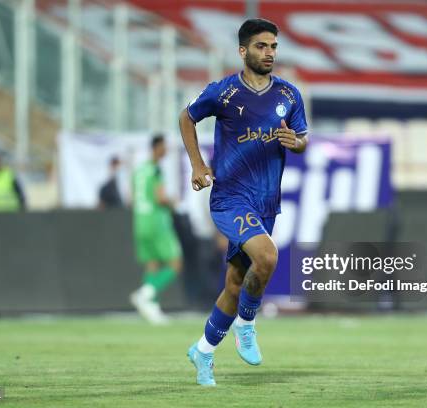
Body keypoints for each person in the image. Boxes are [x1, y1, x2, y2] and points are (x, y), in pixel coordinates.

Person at [179, 18, 308, 386]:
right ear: (243, 50)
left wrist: (295, 142)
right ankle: (247, 325)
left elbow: (302, 139)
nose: (269, 53)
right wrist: (198, 164)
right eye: (261, 46)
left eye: (273, 47)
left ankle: (202, 351)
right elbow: (186, 118)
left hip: (266, 202)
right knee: (267, 257)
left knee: (236, 283)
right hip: (230, 199)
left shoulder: (288, 95)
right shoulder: (224, 93)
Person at [130, 135, 183, 325]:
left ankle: (152, 309)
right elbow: (160, 198)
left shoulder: (139, 170)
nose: (166, 150)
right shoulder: (155, 169)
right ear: (157, 147)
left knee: (152, 264)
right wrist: (172, 202)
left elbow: (131, 198)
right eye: (164, 147)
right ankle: (145, 294)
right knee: (175, 263)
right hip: (157, 221)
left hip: (140, 222)